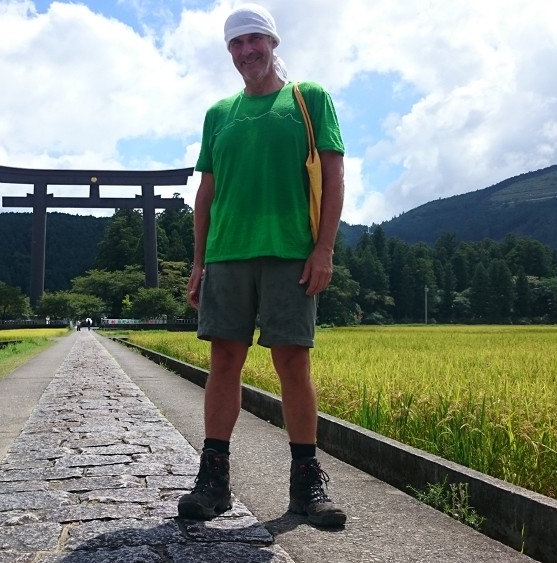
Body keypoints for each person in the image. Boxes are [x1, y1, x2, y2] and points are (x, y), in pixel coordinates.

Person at [178, 3, 347, 527]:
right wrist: (198, 261)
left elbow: (334, 177)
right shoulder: (218, 114)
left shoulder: (309, 99)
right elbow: (206, 192)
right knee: (224, 361)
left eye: (255, 40)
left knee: (292, 362)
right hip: (226, 254)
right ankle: (213, 480)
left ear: (273, 44)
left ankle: (305, 482)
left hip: (290, 251)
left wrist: (324, 249)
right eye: (236, 43)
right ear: (229, 52)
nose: (247, 51)